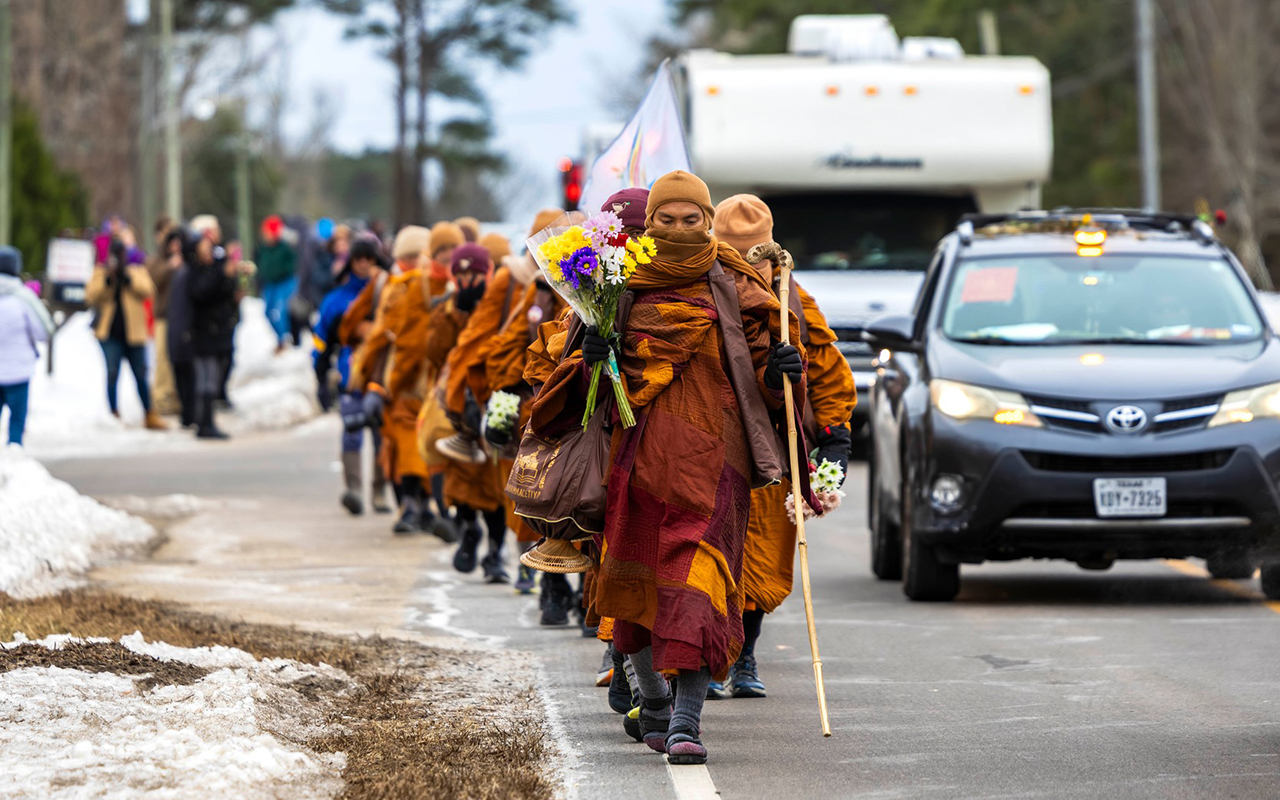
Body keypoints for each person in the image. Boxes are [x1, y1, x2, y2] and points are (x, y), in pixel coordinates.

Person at [524, 171, 805, 765]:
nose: (679, 230)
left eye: (692, 219)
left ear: (708, 221)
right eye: (666, 219)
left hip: (715, 471)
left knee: (699, 586)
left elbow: (766, 380)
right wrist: (592, 358)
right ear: (649, 224)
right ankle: (651, 700)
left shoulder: (737, 285)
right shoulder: (615, 285)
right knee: (635, 589)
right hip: (636, 463)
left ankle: (685, 721)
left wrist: (785, 369)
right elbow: (572, 387)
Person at [709, 193, 856, 700]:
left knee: (766, 554)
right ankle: (707, 661)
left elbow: (830, 370)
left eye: (757, 259)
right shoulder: (698, 292)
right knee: (711, 556)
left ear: (774, 256)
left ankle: (745, 657)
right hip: (710, 446)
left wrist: (835, 438)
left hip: (773, 448)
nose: (747, 270)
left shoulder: (793, 297)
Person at [349, 223, 461, 537]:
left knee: (412, 443)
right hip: (431, 382)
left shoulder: (412, 285)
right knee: (417, 443)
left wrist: (386, 384)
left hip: (417, 383)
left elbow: (405, 342)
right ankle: (422, 505)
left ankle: (416, 505)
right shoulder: (443, 284)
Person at [314, 234, 393, 516]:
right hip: (350, 375)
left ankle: (380, 490)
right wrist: (320, 373)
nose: (363, 264)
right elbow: (321, 340)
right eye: (358, 258)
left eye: (369, 259)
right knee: (351, 431)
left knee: (382, 434)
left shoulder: (390, 292)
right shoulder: (336, 299)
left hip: (383, 375)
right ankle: (354, 490)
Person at [86, 239, 167, 430]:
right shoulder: (101, 272)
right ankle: (113, 413)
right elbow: (91, 295)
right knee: (112, 373)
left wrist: (126, 278)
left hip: (134, 333)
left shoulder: (136, 270)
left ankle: (149, 413)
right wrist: (108, 280)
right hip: (110, 334)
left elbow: (148, 290)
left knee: (141, 374)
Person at [187, 220, 240, 440]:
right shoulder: (196, 271)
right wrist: (221, 274)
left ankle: (207, 420)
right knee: (205, 379)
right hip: (203, 332)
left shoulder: (214, 268)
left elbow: (223, 292)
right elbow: (201, 293)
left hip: (216, 331)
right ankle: (204, 422)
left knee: (212, 377)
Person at [0, 246, 54, 447]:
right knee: (16, 421)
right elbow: (44, 331)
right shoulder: (24, 297)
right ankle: (14, 459)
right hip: (18, 371)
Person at [147, 216, 181, 416]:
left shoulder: (182, 254)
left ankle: (175, 397)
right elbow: (154, 280)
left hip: (179, 315)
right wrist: (169, 266)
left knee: (176, 359)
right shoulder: (157, 259)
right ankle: (160, 399)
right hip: (163, 315)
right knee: (162, 360)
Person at [166, 229, 198, 429]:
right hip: (177, 328)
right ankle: (188, 414)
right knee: (182, 374)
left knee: (189, 375)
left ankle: (191, 414)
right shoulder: (178, 273)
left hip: (184, 329)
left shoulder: (188, 272)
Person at [255, 214, 297, 351]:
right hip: (270, 284)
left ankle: (285, 338)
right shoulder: (262, 249)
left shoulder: (285, 247)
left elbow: (292, 266)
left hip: (284, 282)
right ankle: (280, 338)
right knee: (267, 312)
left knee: (282, 310)